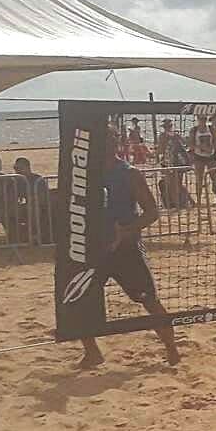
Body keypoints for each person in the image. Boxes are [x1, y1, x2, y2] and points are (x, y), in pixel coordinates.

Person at [78, 147, 181, 369]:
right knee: (81, 300)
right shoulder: (84, 172)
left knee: (149, 301)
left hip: (126, 250)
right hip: (95, 250)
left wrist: (126, 231)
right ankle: (92, 352)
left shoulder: (129, 173)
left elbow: (152, 211)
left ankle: (172, 349)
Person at [187, 113, 216, 205]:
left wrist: (211, 148)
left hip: (211, 156)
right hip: (199, 156)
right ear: (197, 119)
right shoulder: (194, 130)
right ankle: (199, 200)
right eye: (201, 119)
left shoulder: (211, 129)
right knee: (199, 179)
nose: (203, 121)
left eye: (205, 119)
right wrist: (200, 147)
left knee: (214, 178)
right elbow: (190, 144)